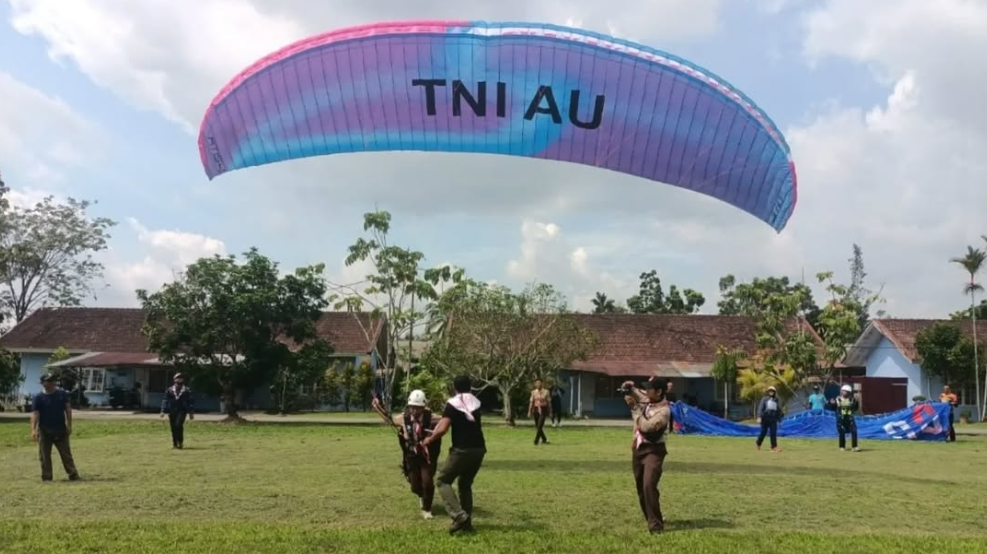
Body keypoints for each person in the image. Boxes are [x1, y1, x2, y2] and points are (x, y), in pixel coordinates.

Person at [423, 375, 485, 535]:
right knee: (464, 485)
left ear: (454, 387)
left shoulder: (452, 404)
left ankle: (459, 516)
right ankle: (467, 523)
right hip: (479, 449)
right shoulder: (476, 403)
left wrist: (429, 439)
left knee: (442, 480)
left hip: (462, 449)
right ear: (470, 387)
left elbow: (442, 428)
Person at [374, 389, 442, 520]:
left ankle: (427, 509)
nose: (414, 411)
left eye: (418, 408)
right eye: (412, 408)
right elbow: (389, 420)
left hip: (427, 456)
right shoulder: (403, 418)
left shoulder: (433, 418)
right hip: (411, 456)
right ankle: (421, 495)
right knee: (415, 485)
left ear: (424, 407)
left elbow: (446, 421)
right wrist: (378, 407)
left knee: (427, 482)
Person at [622, 378, 671, 535]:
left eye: (650, 389)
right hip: (638, 448)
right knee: (641, 487)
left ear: (659, 392)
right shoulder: (649, 400)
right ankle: (650, 516)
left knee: (649, 484)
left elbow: (647, 427)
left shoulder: (664, 411)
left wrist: (634, 408)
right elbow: (637, 393)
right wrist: (629, 387)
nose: (646, 392)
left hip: (654, 450)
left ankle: (656, 526)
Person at [30, 373, 80, 482]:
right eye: (49, 380)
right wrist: (33, 430)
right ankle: (47, 477)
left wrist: (69, 425)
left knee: (66, 454)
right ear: (43, 383)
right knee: (44, 455)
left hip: (60, 429)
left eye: (53, 380)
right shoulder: (38, 397)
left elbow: (68, 409)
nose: (52, 382)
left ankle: (73, 475)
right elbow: (35, 414)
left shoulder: (62, 394)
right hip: (44, 430)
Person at [160, 373, 194, 449]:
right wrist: (162, 410)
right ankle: (175, 444)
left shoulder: (187, 390)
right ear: (174, 380)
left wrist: (191, 412)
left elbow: (190, 401)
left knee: (178, 425)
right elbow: (165, 400)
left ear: (183, 380)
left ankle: (180, 442)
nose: (179, 380)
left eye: (181, 378)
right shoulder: (169, 390)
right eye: (177, 378)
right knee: (173, 428)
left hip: (182, 410)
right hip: (172, 410)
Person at [826, 384, 860, 451]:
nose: (845, 392)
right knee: (842, 432)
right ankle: (842, 446)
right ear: (841, 391)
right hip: (840, 418)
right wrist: (832, 404)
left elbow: (855, 408)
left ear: (849, 392)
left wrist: (856, 402)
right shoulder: (837, 399)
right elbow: (833, 408)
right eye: (844, 391)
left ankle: (854, 446)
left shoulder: (852, 400)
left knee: (854, 431)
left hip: (850, 418)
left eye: (846, 391)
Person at [755, 386, 782, 452]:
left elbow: (778, 410)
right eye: (770, 391)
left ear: (774, 392)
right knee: (763, 432)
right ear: (768, 392)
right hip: (765, 419)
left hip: (773, 420)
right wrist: (759, 417)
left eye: (772, 391)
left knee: (773, 433)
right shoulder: (764, 399)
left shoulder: (776, 400)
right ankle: (758, 443)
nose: (771, 392)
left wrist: (779, 420)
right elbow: (760, 408)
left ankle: (774, 447)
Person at [528, 378, 551, 445]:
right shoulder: (533, 392)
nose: (538, 384)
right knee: (537, 426)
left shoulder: (546, 392)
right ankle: (544, 439)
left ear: (542, 383)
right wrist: (529, 411)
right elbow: (531, 402)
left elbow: (549, 402)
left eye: (539, 383)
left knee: (540, 425)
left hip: (543, 409)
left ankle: (536, 440)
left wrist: (550, 411)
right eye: (537, 383)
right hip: (536, 409)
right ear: (535, 384)